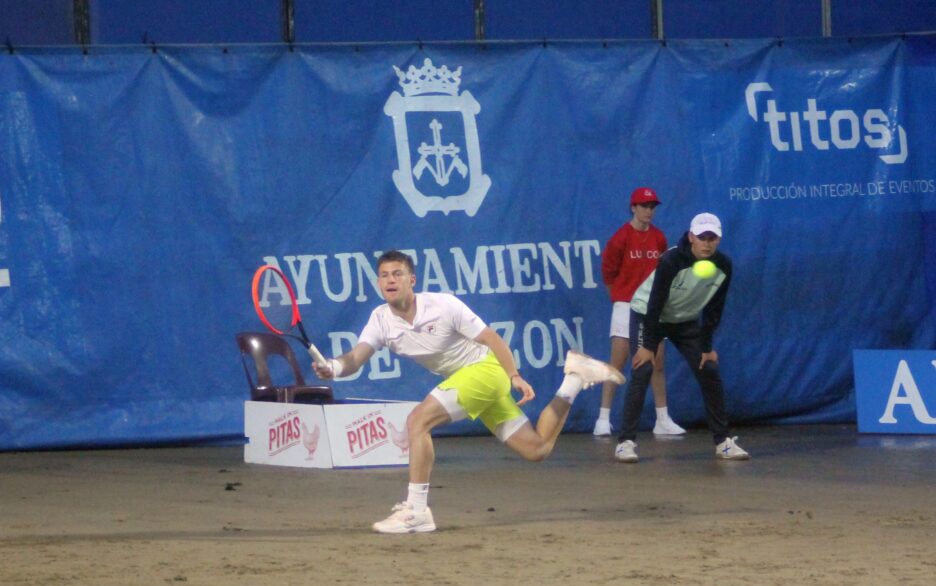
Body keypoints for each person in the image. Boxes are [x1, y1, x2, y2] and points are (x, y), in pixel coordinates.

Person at [313, 250, 626, 534]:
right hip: (472, 383)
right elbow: (355, 358)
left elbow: (492, 339)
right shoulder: (380, 320)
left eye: (397, 274)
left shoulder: (443, 305)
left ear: (412, 280)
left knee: (417, 422)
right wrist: (333, 368)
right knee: (537, 449)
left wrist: (513, 374)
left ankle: (417, 510)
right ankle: (574, 378)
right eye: (384, 275)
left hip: (486, 372)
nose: (390, 280)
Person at [615, 213, 749, 463]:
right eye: (702, 237)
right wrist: (646, 346)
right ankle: (625, 442)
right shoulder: (671, 260)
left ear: (719, 239)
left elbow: (713, 309)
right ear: (691, 237)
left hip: (684, 320)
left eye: (712, 238)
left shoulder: (724, 266)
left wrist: (706, 347)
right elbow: (655, 303)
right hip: (648, 313)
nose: (707, 243)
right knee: (643, 369)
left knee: (708, 368)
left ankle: (723, 442)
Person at [595, 187, 685, 439]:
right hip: (626, 305)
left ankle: (663, 419)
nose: (649, 211)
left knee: (656, 363)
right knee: (618, 363)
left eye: (652, 206)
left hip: (653, 308)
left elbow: (665, 272)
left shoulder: (659, 238)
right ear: (633, 208)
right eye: (644, 206)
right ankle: (603, 418)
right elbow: (609, 275)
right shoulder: (620, 238)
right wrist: (623, 298)